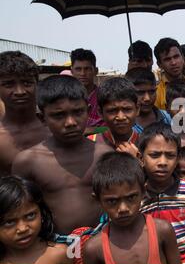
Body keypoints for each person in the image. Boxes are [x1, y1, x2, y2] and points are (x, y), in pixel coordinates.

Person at [12, 75, 112, 235]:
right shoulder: (28, 161)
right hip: (54, 244)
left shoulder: (104, 154)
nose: (70, 122)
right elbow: (18, 211)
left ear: (88, 110)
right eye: (59, 115)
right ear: (42, 118)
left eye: (78, 112)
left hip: (102, 240)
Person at [83, 152, 182, 264]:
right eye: (112, 201)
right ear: (98, 200)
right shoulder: (94, 248)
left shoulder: (163, 230)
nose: (123, 209)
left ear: (144, 192)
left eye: (131, 198)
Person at [139, 123, 185, 264]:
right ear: (141, 158)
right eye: (155, 155)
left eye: (170, 155)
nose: (163, 162)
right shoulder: (136, 198)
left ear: (177, 158)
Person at [0, 176, 74, 264]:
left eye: (30, 216)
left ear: (41, 213)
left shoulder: (61, 253)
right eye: (10, 222)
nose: (23, 229)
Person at [0, 51, 49, 176]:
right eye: (9, 84)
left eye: (27, 83)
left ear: (37, 84)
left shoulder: (55, 128)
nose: (20, 91)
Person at [87, 77, 140, 155]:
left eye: (127, 109)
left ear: (137, 110)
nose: (121, 117)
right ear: (100, 113)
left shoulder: (147, 143)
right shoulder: (90, 144)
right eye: (112, 111)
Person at [70, 48, 104, 133]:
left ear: (95, 71)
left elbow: (112, 128)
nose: (82, 73)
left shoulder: (105, 96)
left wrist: (87, 130)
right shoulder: (65, 98)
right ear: (72, 71)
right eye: (78, 69)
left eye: (87, 69)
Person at [154, 38, 185, 111]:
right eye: (167, 59)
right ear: (159, 64)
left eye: (176, 57)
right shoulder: (156, 94)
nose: (173, 63)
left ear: (182, 57)